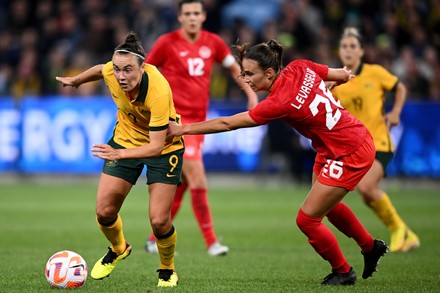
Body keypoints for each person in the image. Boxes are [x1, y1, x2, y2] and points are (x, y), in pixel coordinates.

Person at [166, 39, 388, 285]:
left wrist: (181, 129)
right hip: (335, 145)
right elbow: (341, 75)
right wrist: (337, 80)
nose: (245, 79)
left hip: (349, 150)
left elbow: (227, 123)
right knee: (327, 208)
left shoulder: (277, 102)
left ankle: (344, 272)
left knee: (307, 220)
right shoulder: (300, 66)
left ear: (269, 73)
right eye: (242, 72)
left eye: (249, 73)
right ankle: (370, 247)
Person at [55, 32, 183, 287]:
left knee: (159, 220)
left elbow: (155, 147)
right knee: (104, 212)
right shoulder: (111, 72)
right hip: (125, 140)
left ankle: (167, 268)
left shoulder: (157, 90)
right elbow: (99, 70)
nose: (121, 76)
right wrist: (77, 81)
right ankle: (118, 248)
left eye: (128, 70)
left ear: (142, 68)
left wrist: (119, 154)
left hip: (164, 148)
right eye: (117, 69)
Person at [143, 0, 259, 256]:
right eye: (188, 14)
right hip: (175, 122)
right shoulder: (167, 42)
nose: (193, 17)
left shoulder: (213, 42)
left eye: (197, 13)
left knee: (183, 182)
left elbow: (234, 69)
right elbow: (146, 72)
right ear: (180, 17)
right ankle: (212, 242)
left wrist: (250, 94)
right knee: (197, 177)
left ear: (204, 16)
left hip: (200, 122)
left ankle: (154, 238)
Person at [331, 27, 420, 253]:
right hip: (354, 147)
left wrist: (396, 111)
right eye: (344, 46)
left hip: (379, 141)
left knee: (366, 188)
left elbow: (400, 87)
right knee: (367, 194)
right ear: (339, 51)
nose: (348, 51)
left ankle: (398, 228)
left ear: (361, 51)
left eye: (353, 46)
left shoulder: (375, 72)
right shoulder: (337, 80)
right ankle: (405, 233)